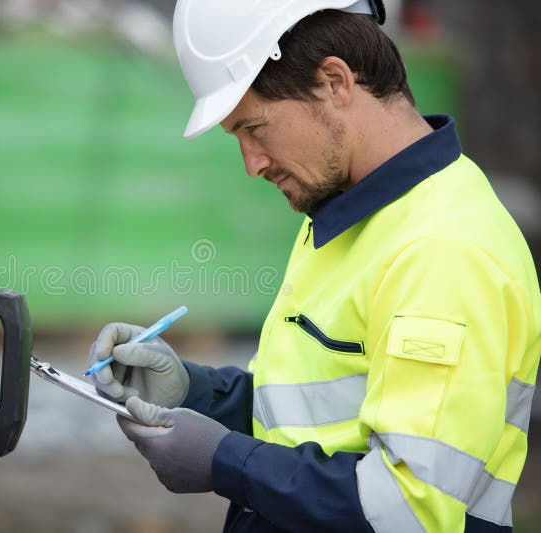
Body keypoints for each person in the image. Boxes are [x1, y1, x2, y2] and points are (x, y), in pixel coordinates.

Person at [88, 1, 541, 532]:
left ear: (334, 82)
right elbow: (315, 418)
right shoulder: (350, 213)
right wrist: (197, 393)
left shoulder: (441, 249)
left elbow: (409, 509)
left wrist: (224, 461)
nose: (252, 163)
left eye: (255, 127)